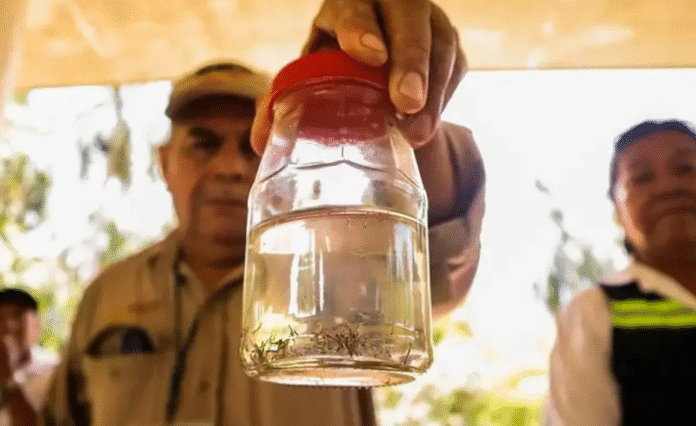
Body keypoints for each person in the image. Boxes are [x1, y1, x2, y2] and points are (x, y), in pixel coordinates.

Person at [42, 0, 485, 425]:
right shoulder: (107, 295)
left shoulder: (341, 266)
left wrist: (401, 110)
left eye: (250, 147)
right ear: (164, 163)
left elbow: (440, 257)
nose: (230, 168)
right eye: (203, 144)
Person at [546, 119, 696, 425]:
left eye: (685, 169)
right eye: (642, 178)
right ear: (617, 210)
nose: (668, 188)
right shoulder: (595, 313)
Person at [0, 289, 58, 426]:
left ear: (36, 325)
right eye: (0, 318)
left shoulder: (55, 372)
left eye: (18, 315)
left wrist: (9, 378)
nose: (8, 326)